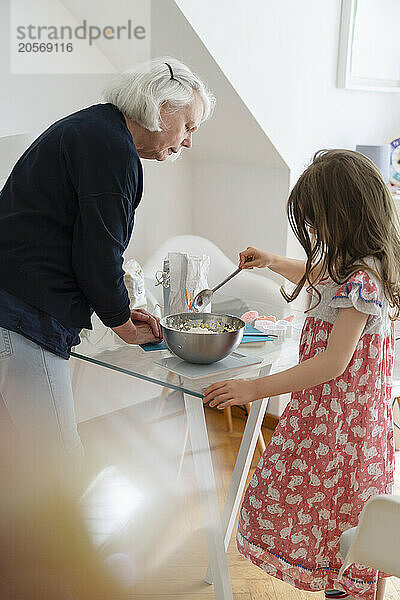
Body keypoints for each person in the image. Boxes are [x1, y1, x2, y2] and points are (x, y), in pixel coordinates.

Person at [0, 56, 215, 471]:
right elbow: (98, 256)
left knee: (22, 471)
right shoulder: (112, 150)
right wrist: (122, 323)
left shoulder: (94, 128)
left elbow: (83, 243)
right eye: (188, 126)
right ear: (160, 107)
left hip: (14, 305)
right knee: (58, 469)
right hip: (24, 316)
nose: (188, 142)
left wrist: (116, 309)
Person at [203, 149, 400, 600]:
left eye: (317, 221)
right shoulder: (354, 263)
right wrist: (272, 260)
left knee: (342, 520)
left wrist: (253, 388)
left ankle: (347, 589)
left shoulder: (363, 281)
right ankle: (339, 588)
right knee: (331, 520)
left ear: (344, 216)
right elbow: (318, 274)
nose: (314, 231)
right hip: (331, 422)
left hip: (342, 431)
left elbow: (333, 363)